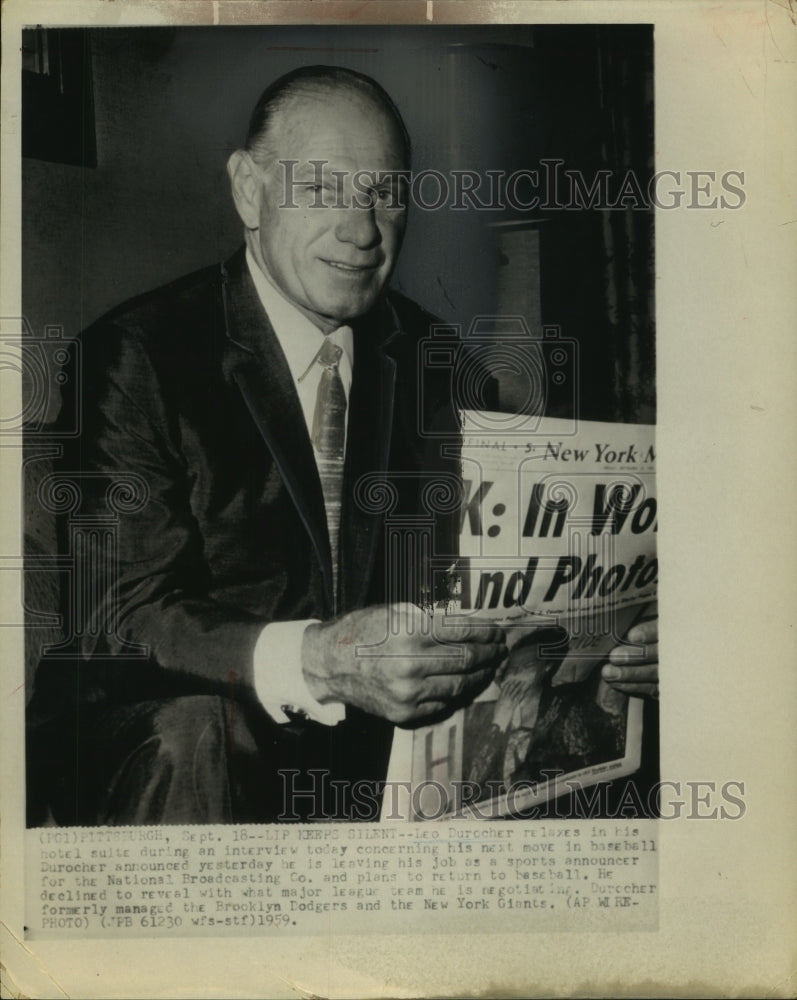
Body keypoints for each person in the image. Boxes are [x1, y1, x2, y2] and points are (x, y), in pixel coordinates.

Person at [26, 65, 658, 826]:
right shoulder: (137, 355)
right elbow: (119, 616)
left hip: (378, 759)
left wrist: (620, 643)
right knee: (196, 732)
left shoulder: (439, 364)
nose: (361, 231)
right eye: (323, 188)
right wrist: (319, 658)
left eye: (384, 194)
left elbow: (480, 585)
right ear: (249, 189)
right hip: (171, 742)